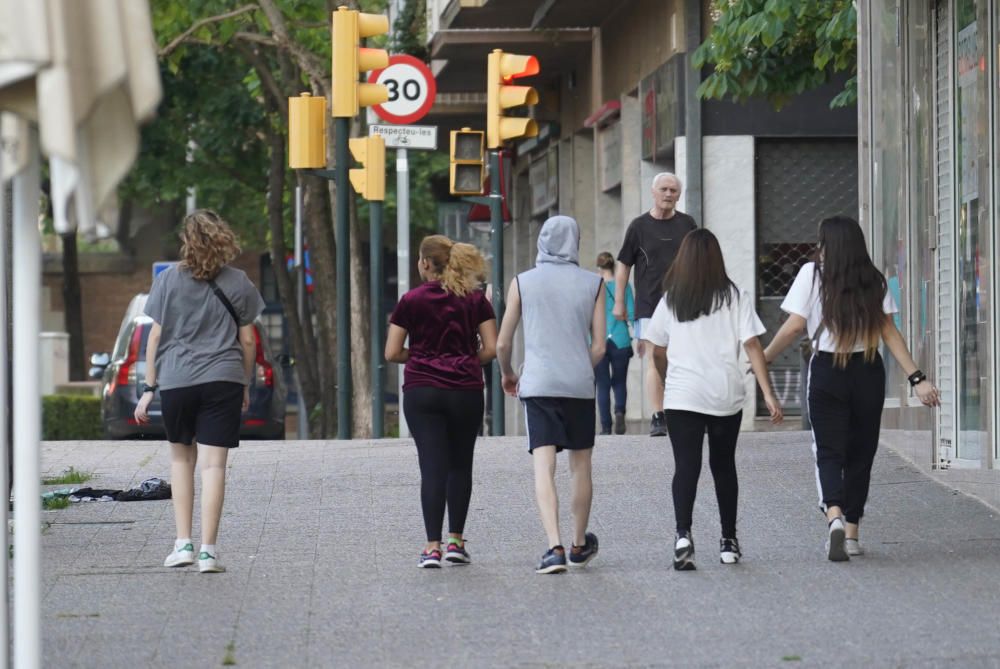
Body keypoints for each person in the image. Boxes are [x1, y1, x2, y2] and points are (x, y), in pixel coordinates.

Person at [763, 216, 940, 562]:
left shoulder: (812, 274)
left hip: (828, 369)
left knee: (828, 450)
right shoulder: (872, 279)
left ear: (828, 244)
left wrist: (764, 357)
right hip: (867, 371)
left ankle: (834, 517)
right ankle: (854, 533)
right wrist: (917, 379)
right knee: (862, 451)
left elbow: (795, 326)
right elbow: (889, 333)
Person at [641, 229, 782, 571]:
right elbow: (752, 346)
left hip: (683, 395)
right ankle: (728, 542)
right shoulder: (734, 296)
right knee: (723, 466)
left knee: (686, 466)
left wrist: (665, 374)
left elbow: (655, 349)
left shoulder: (672, 298)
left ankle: (683, 536)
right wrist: (767, 392)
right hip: (725, 394)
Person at [135, 209, 265, 574]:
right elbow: (248, 340)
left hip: (177, 380)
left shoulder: (168, 281)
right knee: (214, 466)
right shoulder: (239, 282)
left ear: (186, 241)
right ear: (222, 238)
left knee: (180, 461)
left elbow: (155, 337)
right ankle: (208, 552)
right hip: (223, 378)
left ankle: (183, 545)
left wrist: (149, 387)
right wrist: (244, 382)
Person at [497, 215, 606, 574]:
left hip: (539, 383)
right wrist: (578, 365)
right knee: (581, 465)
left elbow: (503, 342)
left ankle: (553, 547)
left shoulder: (522, 282)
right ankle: (578, 543)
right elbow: (600, 346)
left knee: (544, 466)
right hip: (578, 384)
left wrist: (509, 374)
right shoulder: (593, 283)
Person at [385, 235, 497, 568]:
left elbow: (392, 352)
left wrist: (421, 357)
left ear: (425, 264)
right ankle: (455, 543)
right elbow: (491, 349)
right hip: (465, 389)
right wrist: (462, 359)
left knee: (432, 467)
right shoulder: (475, 300)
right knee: (461, 465)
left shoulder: (410, 300)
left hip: (423, 390)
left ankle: (431, 547)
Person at [615, 173, 697, 437]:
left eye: (674, 190)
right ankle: (659, 415)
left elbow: (699, 261)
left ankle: (683, 411)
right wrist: (619, 302)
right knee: (653, 358)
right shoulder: (639, 226)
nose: (669, 194)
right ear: (653, 192)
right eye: (664, 189)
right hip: (649, 303)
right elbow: (624, 264)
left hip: (684, 303)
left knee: (680, 359)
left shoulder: (687, 224)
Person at [595, 251, 634, 435]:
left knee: (602, 384)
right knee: (619, 381)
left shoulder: (594, 287)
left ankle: (605, 426)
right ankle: (619, 411)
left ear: (599, 268)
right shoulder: (624, 287)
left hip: (599, 340)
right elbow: (632, 313)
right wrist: (639, 338)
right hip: (620, 338)